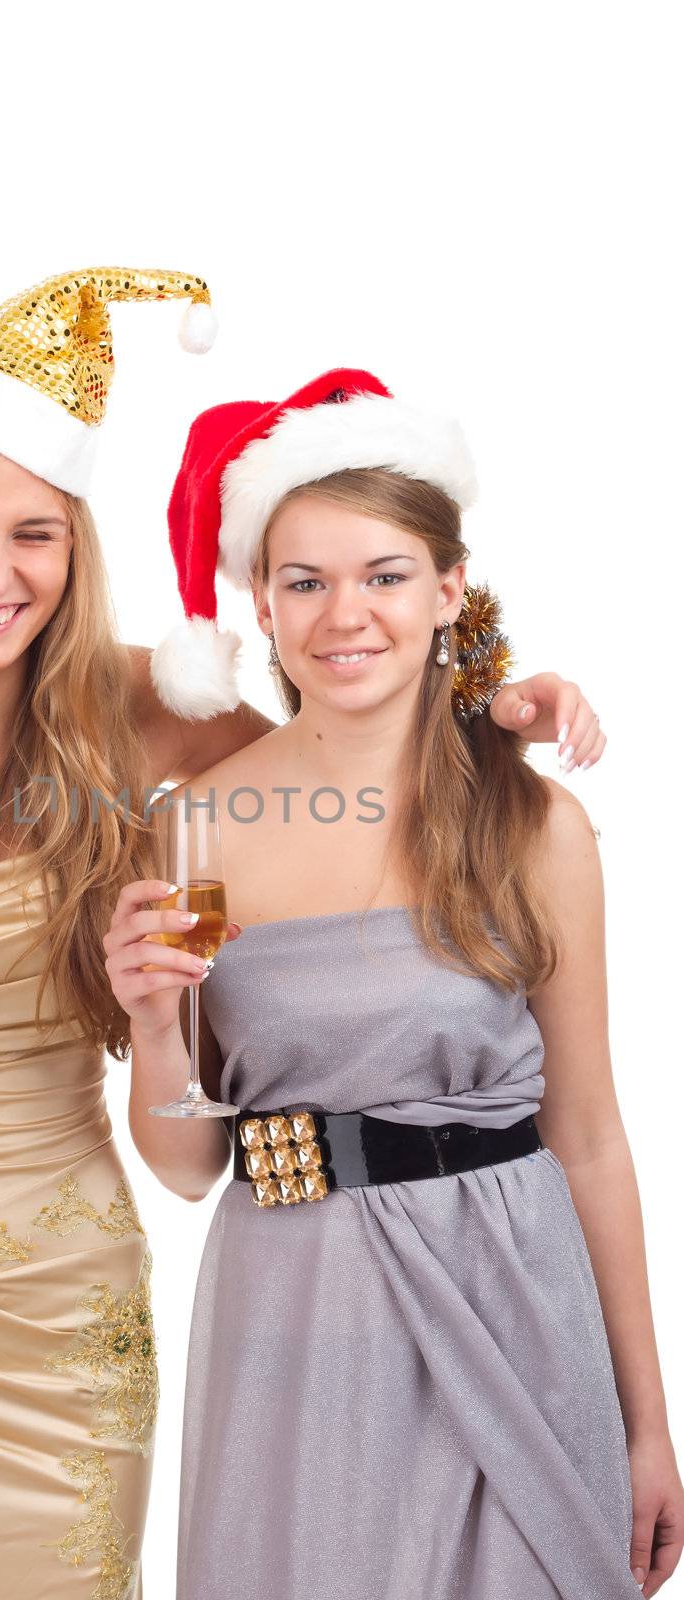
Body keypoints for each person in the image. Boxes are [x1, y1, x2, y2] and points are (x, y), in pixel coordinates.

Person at [0, 280, 600, 1600]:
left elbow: (337, 744)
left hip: (60, 1291)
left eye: (33, 537)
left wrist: (484, 706)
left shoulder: (135, 712)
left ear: (74, 552)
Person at [105, 369, 681, 1600]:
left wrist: (646, 1425)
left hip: (515, 1303)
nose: (342, 615)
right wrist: (156, 1027)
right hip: (296, 1323)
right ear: (259, 601)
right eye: (303, 581)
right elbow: (192, 1165)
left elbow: (586, 1134)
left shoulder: (533, 826)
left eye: (382, 575)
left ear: (447, 590)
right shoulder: (199, 831)